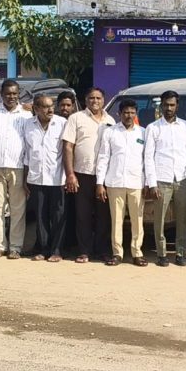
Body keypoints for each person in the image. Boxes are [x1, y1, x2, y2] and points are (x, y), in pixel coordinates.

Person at [62, 87, 115, 263]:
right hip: (81, 174)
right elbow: (68, 147)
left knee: (104, 216)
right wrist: (70, 174)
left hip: (104, 176)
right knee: (82, 215)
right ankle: (84, 251)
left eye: (98, 98)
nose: (95, 101)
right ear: (86, 100)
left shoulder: (110, 120)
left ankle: (102, 251)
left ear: (103, 100)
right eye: (91, 98)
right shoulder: (76, 118)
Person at [144, 90, 186, 267]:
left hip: (182, 178)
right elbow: (148, 157)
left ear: (177, 106)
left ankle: (180, 253)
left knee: (182, 218)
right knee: (159, 219)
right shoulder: (153, 128)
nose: (169, 108)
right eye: (166, 105)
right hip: (161, 179)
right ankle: (161, 254)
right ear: (161, 106)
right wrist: (152, 183)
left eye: (172, 105)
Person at [96, 98, 147, 267]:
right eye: (125, 112)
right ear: (119, 114)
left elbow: (147, 160)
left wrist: (148, 182)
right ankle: (117, 253)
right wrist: (99, 183)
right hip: (115, 182)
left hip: (136, 182)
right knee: (116, 220)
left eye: (132, 112)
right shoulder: (110, 132)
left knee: (137, 220)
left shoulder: (143, 133)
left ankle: (137, 253)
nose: (129, 115)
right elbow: (103, 158)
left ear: (136, 114)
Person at [0, 79, 31, 259]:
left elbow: (29, 143)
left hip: (17, 166)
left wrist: (27, 169)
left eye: (14, 94)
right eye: (7, 94)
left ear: (18, 94)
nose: (11, 97)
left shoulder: (26, 115)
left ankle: (15, 247)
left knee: (18, 209)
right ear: (1, 95)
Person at [23, 94, 68, 262]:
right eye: (45, 106)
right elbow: (26, 153)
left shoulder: (62, 123)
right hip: (36, 178)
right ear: (36, 108)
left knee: (58, 216)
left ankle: (57, 250)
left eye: (52, 106)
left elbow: (68, 151)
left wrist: (69, 175)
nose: (50, 109)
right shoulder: (28, 124)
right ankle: (43, 249)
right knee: (40, 216)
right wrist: (25, 178)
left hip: (58, 179)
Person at [54, 89, 78, 252]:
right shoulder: (53, 122)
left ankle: (72, 243)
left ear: (73, 106)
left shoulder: (78, 121)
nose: (65, 108)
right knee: (59, 210)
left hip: (77, 173)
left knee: (75, 210)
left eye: (68, 105)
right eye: (62, 105)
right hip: (57, 175)